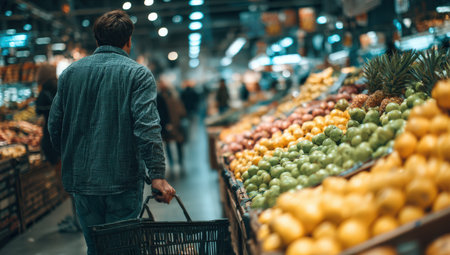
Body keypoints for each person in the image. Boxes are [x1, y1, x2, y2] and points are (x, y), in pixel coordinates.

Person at [48, 10, 175, 255]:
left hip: (83, 182)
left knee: (95, 248)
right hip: (122, 179)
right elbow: (147, 127)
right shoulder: (137, 74)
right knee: (124, 249)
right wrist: (157, 174)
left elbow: (55, 126)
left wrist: (74, 157)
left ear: (97, 40)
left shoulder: (69, 74)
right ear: (129, 41)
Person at [157, 79, 187, 175]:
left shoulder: (173, 95)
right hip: (168, 124)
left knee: (178, 144)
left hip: (176, 123)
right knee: (169, 144)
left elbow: (180, 109)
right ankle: (173, 164)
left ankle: (180, 163)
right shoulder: (160, 97)